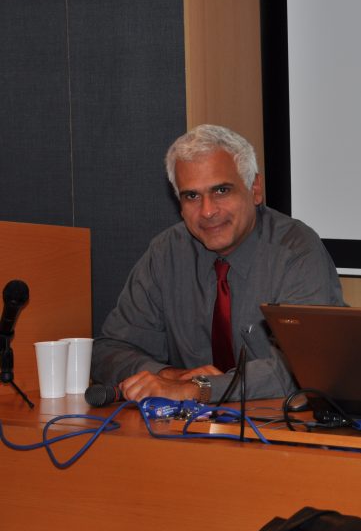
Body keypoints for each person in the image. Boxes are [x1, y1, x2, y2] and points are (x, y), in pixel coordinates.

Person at [92, 124, 344, 403]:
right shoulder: (166, 252)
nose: (208, 211)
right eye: (192, 196)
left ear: (255, 189)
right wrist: (168, 376)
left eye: (222, 191)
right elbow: (110, 349)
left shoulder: (296, 250)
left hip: (277, 434)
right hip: (183, 434)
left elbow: (303, 367)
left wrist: (199, 388)